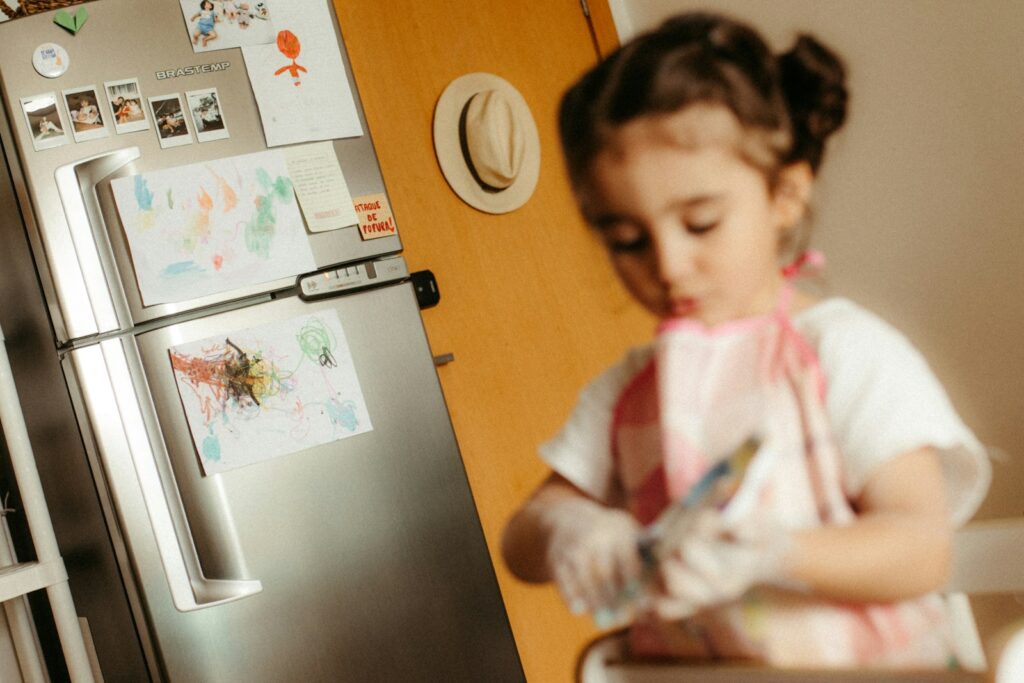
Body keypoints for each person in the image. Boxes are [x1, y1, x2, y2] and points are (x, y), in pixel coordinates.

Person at [501, 12, 990, 670]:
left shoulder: (844, 354)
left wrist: (777, 551)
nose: (667, 264)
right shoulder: (628, 391)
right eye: (627, 239)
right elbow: (521, 539)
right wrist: (571, 527)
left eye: (700, 223)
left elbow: (922, 548)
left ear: (783, 194)